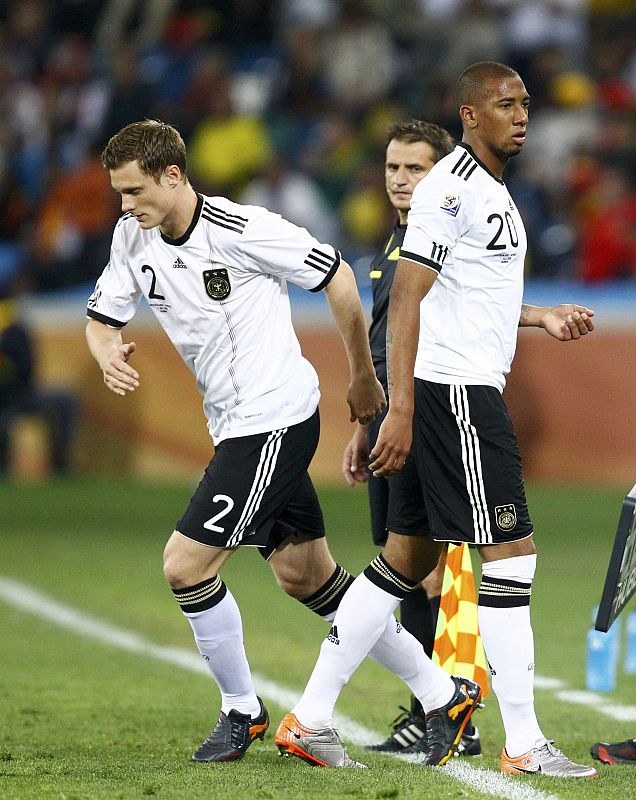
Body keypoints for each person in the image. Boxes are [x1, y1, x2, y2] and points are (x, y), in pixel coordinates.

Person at [84, 119, 458, 768]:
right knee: (306, 577)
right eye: (119, 193)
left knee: (185, 565)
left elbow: (339, 277)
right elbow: (100, 317)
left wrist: (362, 378)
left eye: (134, 190)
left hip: (274, 421)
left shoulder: (241, 230)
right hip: (232, 425)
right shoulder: (131, 236)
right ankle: (442, 690)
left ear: (173, 175)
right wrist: (106, 351)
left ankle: (241, 709)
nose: (126, 205)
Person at [275, 62, 599, 779]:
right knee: (514, 555)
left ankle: (310, 715)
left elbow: (461, 295)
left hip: (446, 392)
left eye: (525, 103)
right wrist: (401, 409)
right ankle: (523, 741)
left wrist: (538, 316)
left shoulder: (487, 192)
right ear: (471, 115)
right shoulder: (450, 189)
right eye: (506, 104)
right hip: (456, 397)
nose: (522, 114)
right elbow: (411, 300)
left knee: (406, 560)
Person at [341, 118, 480, 757]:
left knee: (423, 567)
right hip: (391, 421)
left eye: (415, 168)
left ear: (442, 174)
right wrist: (367, 423)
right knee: (412, 570)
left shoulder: (443, 245)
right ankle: (439, 712)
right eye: (393, 168)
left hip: (426, 418)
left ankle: (450, 715)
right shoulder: (392, 247)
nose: (400, 179)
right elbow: (382, 342)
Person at [0, 281, 77, 476]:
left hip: (20, 395)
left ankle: (60, 467)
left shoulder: (17, 331)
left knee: (65, 400)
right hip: (12, 398)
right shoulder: (14, 331)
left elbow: (28, 370)